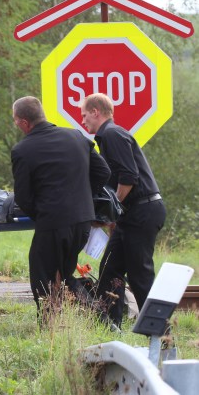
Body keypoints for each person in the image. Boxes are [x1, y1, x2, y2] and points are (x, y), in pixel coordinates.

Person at [10, 96, 110, 322]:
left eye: (16, 121)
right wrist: (84, 199)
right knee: (63, 274)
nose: (17, 125)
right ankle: (102, 319)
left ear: (24, 122)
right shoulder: (75, 136)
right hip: (83, 221)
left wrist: (45, 214)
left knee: (41, 276)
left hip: (54, 223)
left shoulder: (23, 150)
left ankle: (50, 328)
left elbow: (23, 198)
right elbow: (103, 172)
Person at [80, 93, 167, 329]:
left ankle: (161, 333)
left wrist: (112, 211)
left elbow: (129, 176)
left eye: (84, 114)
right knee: (110, 270)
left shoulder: (112, 133)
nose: (83, 120)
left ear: (96, 111)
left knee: (140, 275)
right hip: (132, 214)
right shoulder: (107, 136)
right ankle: (109, 328)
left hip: (143, 210)